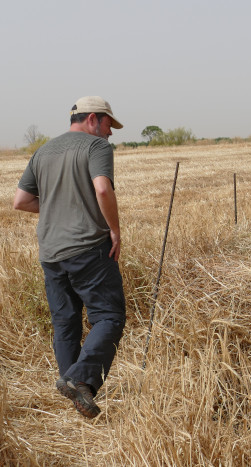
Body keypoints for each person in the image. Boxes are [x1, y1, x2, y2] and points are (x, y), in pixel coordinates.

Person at [13, 96, 126, 419]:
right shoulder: (96, 148)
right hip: (88, 249)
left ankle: (77, 392)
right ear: (93, 119)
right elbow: (103, 190)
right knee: (109, 316)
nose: (110, 134)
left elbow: (20, 201)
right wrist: (114, 230)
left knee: (65, 324)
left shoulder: (44, 151)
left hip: (50, 253)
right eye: (108, 125)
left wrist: (56, 209)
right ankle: (80, 378)